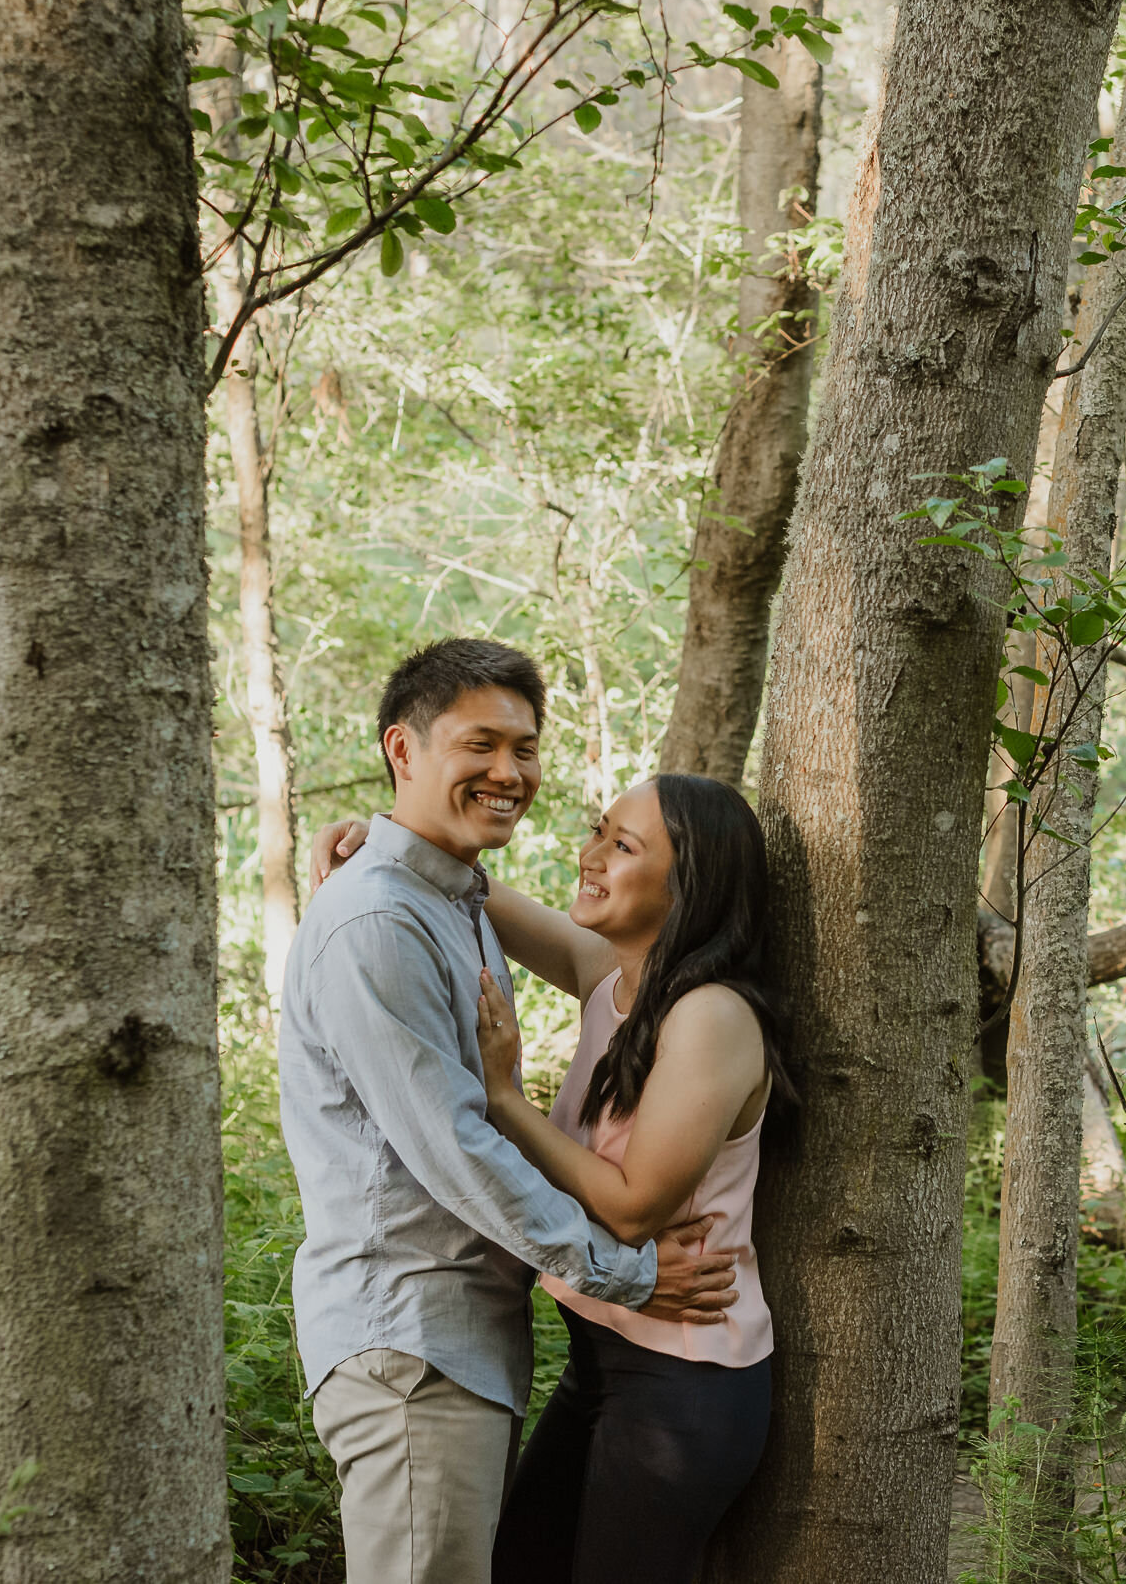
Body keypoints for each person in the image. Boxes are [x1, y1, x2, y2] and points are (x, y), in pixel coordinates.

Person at [281, 639, 740, 1584]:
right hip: (412, 1341)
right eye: (480, 744)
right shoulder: (381, 922)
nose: (510, 771)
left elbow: (508, 910)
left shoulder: (455, 900)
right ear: (402, 750)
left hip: (467, 1347)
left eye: (524, 748)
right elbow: (455, 1146)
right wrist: (623, 1274)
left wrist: (381, 833)